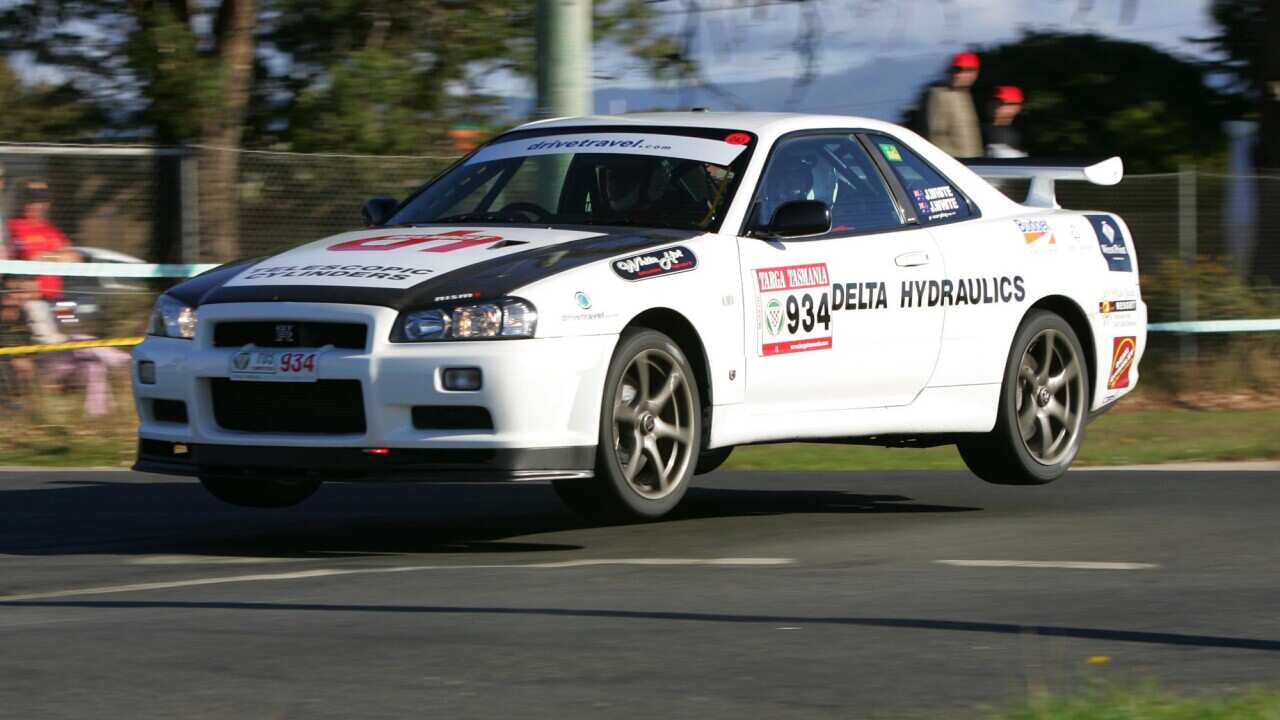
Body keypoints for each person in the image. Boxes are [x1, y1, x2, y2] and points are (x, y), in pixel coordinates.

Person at [7, 181, 79, 302]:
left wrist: (45, 256)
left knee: (70, 317)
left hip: (54, 298)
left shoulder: (51, 230)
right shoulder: (12, 226)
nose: (35, 205)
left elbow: (74, 258)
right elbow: (19, 261)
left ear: (47, 204)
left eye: (40, 200)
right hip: (26, 300)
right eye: (30, 199)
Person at [926, 52, 983, 159]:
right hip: (953, 164)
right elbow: (937, 136)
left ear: (975, 74)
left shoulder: (965, 95)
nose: (959, 75)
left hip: (972, 164)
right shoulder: (940, 94)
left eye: (967, 70)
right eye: (956, 70)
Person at [986, 85, 1027, 158]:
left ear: (1017, 107)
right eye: (993, 101)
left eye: (1002, 103)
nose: (996, 106)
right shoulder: (979, 131)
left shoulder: (1021, 134)